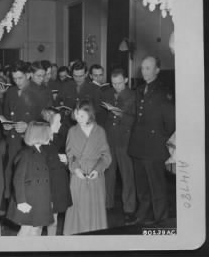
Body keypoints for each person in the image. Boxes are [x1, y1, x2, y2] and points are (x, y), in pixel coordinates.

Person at [128, 56, 175, 225]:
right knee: (142, 187)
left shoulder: (163, 91)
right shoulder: (140, 89)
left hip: (154, 148)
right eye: (142, 68)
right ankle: (142, 216)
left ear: (157, 70)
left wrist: (161, 140)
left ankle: (161, 220)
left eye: (148, 68)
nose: (144, 71)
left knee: (157, 187)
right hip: (138, 146)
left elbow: (171, 121)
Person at [63, 100, 112, 234]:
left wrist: (97, 170)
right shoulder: (72, 131)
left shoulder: (100, 131)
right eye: (76, 115)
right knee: (77, 206)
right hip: (77, 174)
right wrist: (76, 169)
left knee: (95, 207)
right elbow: (70, 155)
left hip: (95, 175)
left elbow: (106, 156)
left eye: (82, 116)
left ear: (90, 115)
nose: (78, 119)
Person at [7, 122, 54, 236]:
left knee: (37, 229)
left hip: (41, 199)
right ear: (39, 135)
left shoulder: (43, 152)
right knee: (26, 230)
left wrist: (49, 199)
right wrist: (21, 201)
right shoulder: (25, 154)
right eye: (47, 134)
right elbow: (18, 179)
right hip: (28, 200)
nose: (50, 138)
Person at [2, 61, 41, 200]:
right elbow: (6, 114)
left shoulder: (39, 92)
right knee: (11, 174)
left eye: (20, 78)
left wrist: (28, 126)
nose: (17, 82)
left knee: (27, 177)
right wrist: (5, 125)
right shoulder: (11, 91)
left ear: (28, 75)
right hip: (12, 141)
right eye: (14, 78)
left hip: (29, 143)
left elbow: (46, 122)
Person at [102, 68, 136, 224]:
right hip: (109, 139)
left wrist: (118, 112)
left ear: (126, 80)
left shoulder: (133, 95)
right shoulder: (108, 93)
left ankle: (129, 209)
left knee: (127, 176)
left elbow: (133, 120)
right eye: (114, 83)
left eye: (120, 83)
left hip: (125, 140)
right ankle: (107, 205)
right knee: (109, 174)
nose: (116, 86)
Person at [41, 109, 72, 235]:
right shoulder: (41, 142)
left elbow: (62, 157)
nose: (60, 125)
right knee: (39, 223)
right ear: (48, 123)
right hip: (47, 186)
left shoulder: (59, 139)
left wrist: (66, 160)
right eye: (58, 122)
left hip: (58, 184)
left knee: (54, 220)